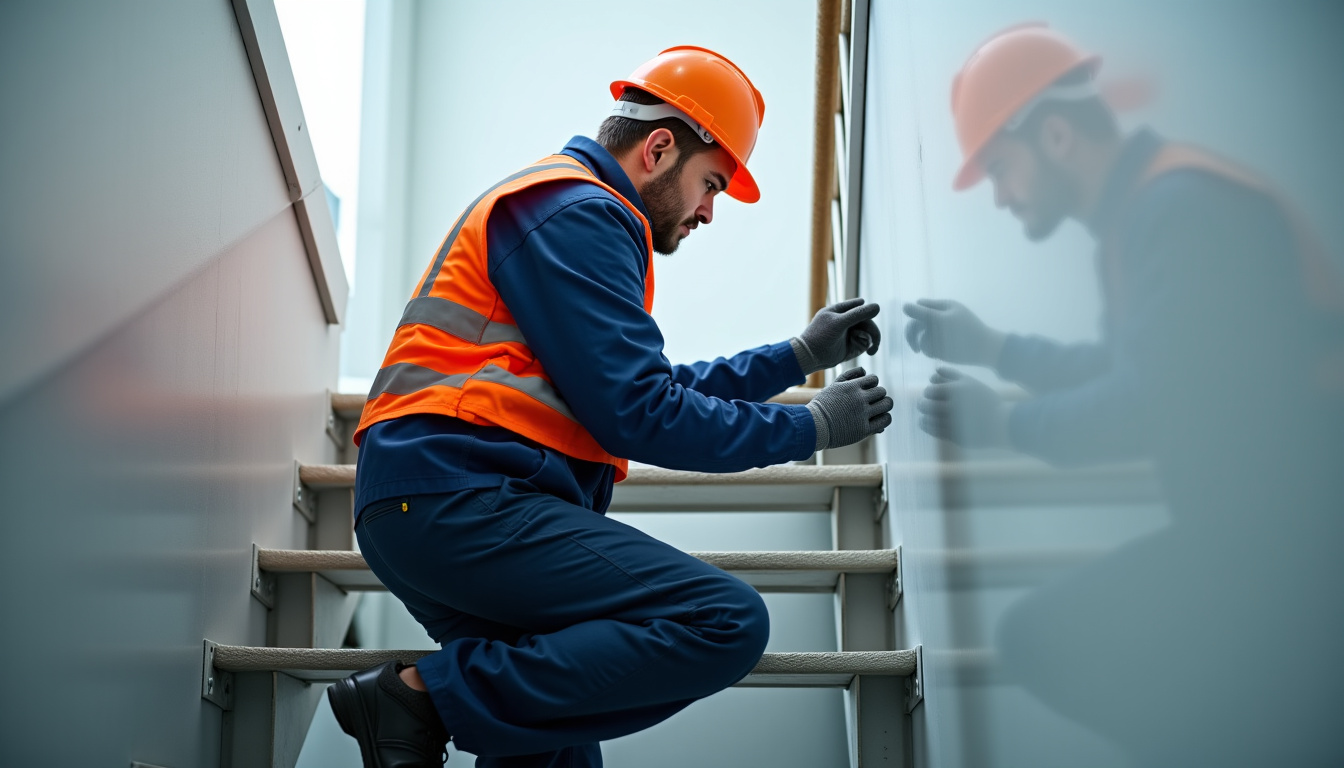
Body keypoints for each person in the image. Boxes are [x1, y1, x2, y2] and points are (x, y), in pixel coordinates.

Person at [327, 46, 894, 768]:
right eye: (710, 184)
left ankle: (436, 700)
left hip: (440, 500)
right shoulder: (577, 213)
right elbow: (642, 412)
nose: (709, 213)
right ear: (659, 148)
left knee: (554, 737)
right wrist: (810, 425)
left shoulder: (568, 212)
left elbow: (644, 387)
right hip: (457, 496)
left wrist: (795, 357)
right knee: (721, 619)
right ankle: (418, 698)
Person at [904, 24, 1344, 765]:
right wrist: (995, 349)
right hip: (1263, 538)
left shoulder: (1179, 211)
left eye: (1003, 169)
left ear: (1056, 135)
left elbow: (1150, 401)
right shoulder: (1151, 211)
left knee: (1044, 639)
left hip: (1295, 546)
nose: (1003, 199)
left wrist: (1004, 423)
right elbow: (1133, 365)